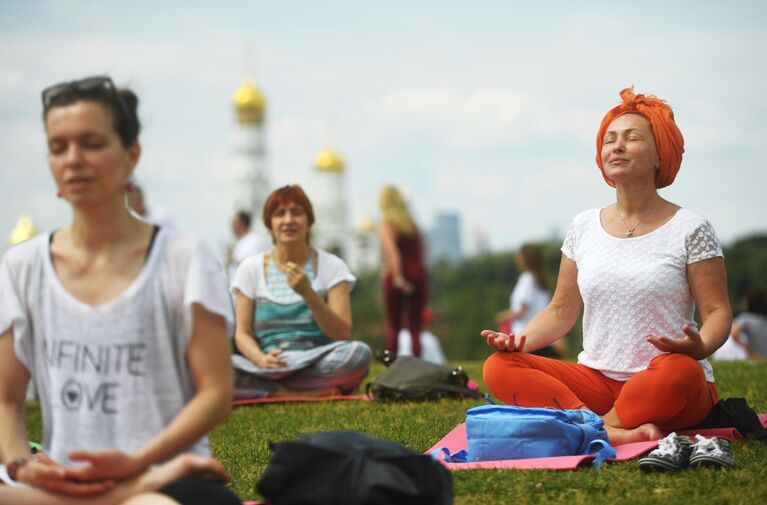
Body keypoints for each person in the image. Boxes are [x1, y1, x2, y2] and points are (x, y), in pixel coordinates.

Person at [0, 75, 239, 504]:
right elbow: (5, 401)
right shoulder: (21, 267)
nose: (73, 159)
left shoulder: (183, 258)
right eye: (59, 147)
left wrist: (135, 464)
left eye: (91, 143)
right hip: (60, 484)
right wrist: (23, 464)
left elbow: (216, 394)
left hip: (165, 476)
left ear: (131, 156)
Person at [482, 87, 732, 446]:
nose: (617, 146)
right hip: (596, 382)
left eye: (631, 138)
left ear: (661, 155)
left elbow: (718, 310)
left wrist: (701, 346)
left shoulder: (690, 227)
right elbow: (559, 311)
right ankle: (610, 430)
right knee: (499, 366)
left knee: (682, 372)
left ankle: (589, 430)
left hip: (665, 383)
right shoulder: (584, 226)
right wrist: (517, 342)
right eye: (609, 140)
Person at [230, 184, 372, 398]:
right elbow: (242, 334)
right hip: (267, 365)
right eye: (279, 214)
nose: (288, 221)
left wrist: (309, 294)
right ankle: (306, 391)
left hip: (315, 358)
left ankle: (274, 392)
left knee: (358, 353)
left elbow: (341, 333)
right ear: (269, 225)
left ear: (309, 222)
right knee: (217, 363)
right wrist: (260, 359)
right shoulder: (251, 268)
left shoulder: (331, 266)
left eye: (296, 213)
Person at [378, 185, 428, 358]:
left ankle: (392, 366)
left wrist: (398, 279)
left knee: (394, 325)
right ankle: (417, 364)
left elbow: (393, 254)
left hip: (397, 276)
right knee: (415, 327)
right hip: (418, 275)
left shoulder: (387, 225)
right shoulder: (412, 225)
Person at [495, 244, 565, 359]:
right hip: (541, 335)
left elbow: (523, 309)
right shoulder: (541, 281)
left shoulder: (527, 278)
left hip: (525, 335)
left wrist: (503, 316)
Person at [716, 287, 767, 360]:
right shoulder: (764, 319)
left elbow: (734, 333)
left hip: (755, 357)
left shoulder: (746, 318)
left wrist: (748, 349)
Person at [227, 210, 269, 280]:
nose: (232, 226)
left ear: (242, 223)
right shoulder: (240, 243)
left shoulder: (254, 240)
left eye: (235, 222)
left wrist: (234, 259)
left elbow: (254, 263)